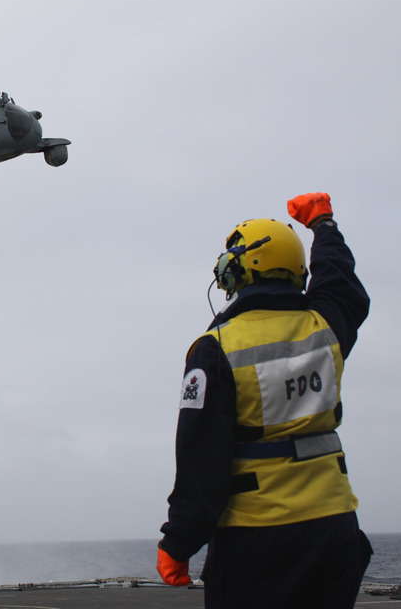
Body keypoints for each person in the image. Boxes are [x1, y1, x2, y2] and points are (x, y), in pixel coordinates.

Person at [157, 193, 372, 608]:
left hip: (257, 538)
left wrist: (178, 544)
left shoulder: (215, 349)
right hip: (333, 529)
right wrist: (323, 225)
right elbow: (340, 280)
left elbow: (202, 461)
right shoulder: (324, 326)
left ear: (237, 273)